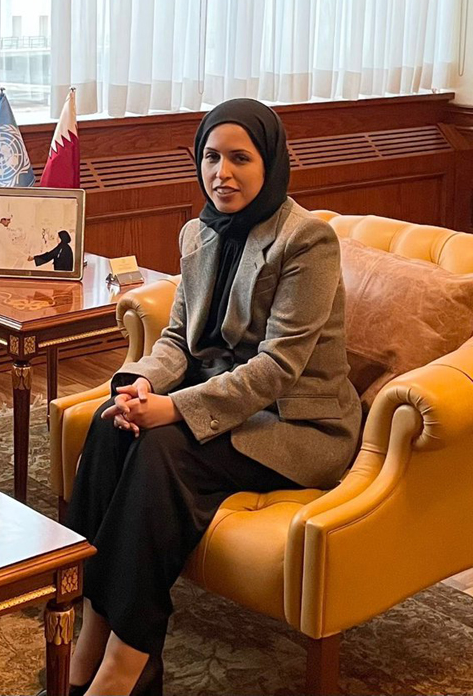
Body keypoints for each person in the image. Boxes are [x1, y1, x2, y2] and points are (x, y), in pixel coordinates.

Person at [63, 98, 362, 696]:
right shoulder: (197, 231)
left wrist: (174, 408)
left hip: (294, 423)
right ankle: (88, 622)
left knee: (160, 450)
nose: (221, 173)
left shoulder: (307, 241)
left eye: (239, 158)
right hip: (220, 402)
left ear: (270, 162)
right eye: (211, 156)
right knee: (105, 423)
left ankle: (129, 660)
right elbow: (179, 337)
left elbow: (278, 368)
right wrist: (140, 383)